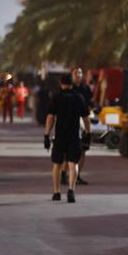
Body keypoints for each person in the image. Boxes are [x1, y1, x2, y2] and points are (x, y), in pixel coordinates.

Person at [44, 73, 91, 203]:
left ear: (61, 83)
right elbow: (86, 118)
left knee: (57, 164)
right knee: (72, 164)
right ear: (72, 83)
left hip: (59, 136)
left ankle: (56, 192)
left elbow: (50, 117)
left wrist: (46, 135)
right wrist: (88, 132)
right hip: (74, 136)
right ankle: (71, 190)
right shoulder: (78, 97)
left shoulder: (56, 97)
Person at [62, 67, 95, 185]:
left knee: (83, 150)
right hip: (71, 123)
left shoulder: (85, 88)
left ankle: (77, 175)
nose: (78, 75)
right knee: (68, 150)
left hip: (84, 121)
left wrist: (96, 106)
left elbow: (91, 101)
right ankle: (63, 172)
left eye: (80, 73)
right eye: (75, 73)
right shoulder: (69, 89)